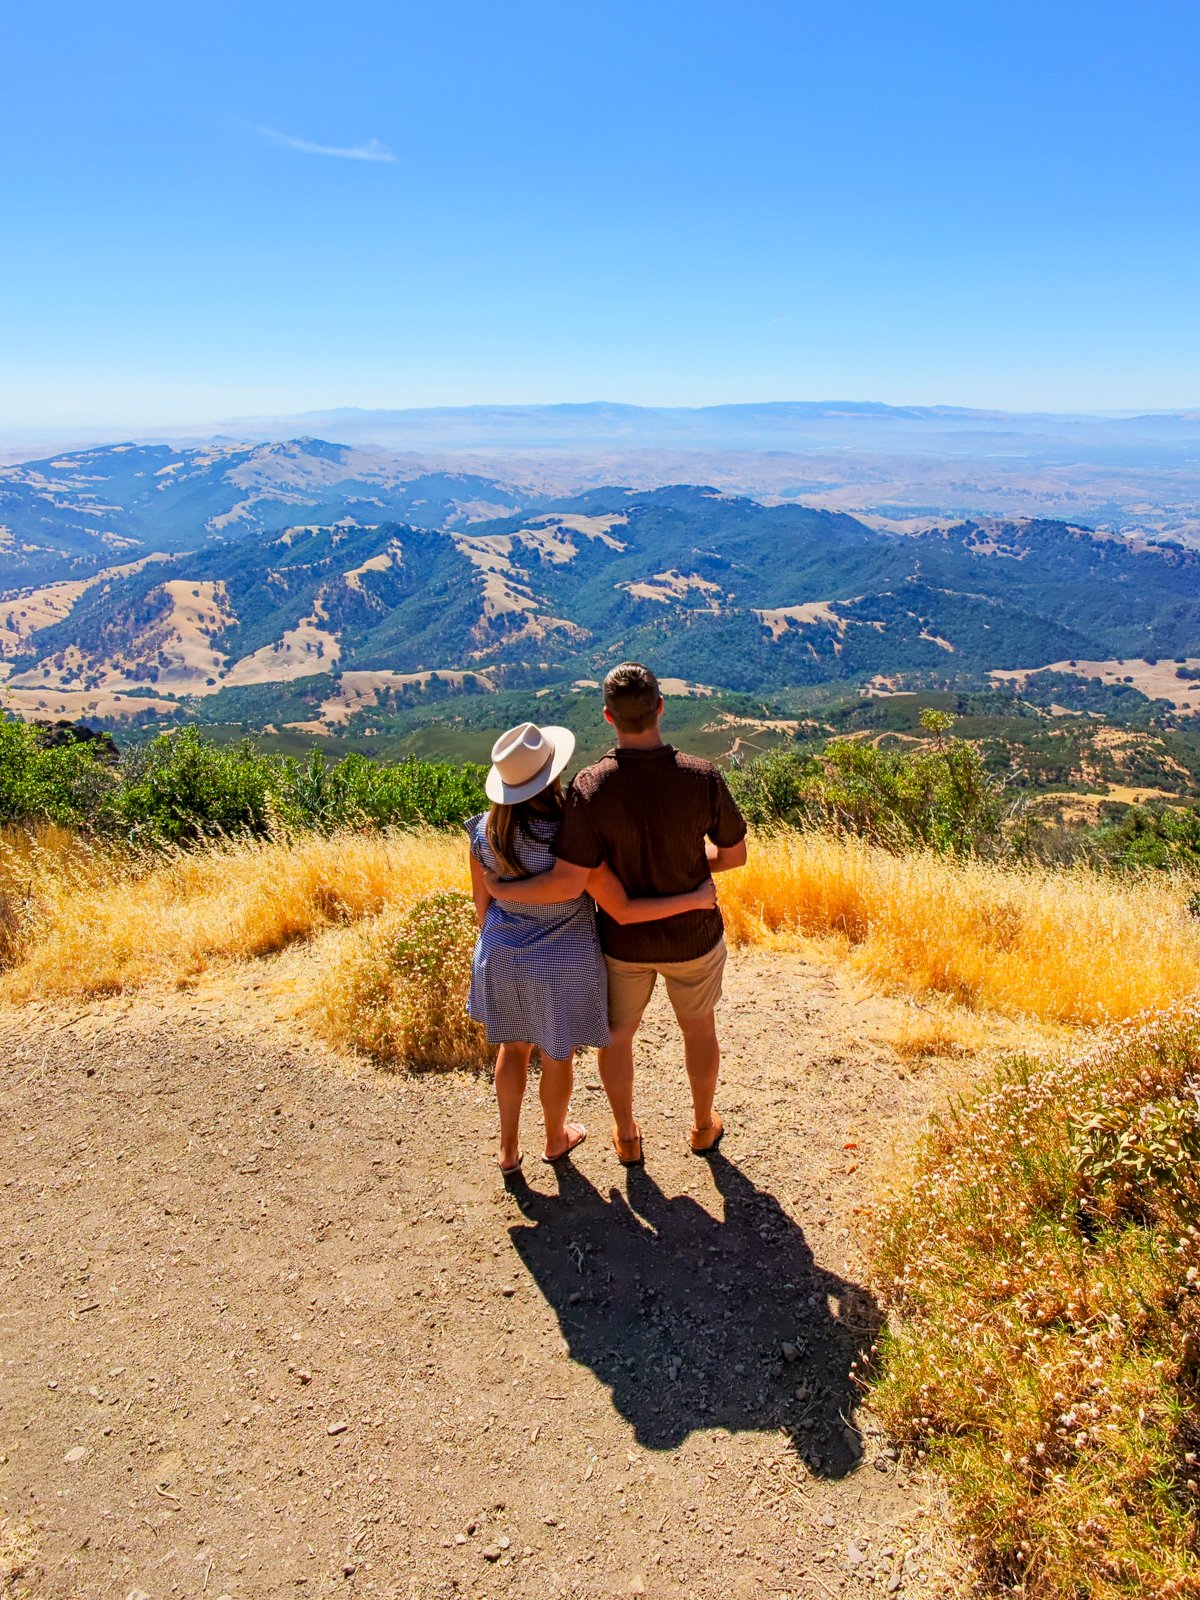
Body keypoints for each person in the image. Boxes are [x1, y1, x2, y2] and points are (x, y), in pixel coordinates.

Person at [484, 665, 748, 1166]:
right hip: (693, 936)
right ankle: (701, 1126)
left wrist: (500, 889)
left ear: (608, 717)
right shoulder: (702, 777)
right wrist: (692, 871)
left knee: (619, 1037)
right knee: (698, 1030)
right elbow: (734, 856)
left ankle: (627, 1136)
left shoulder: (589, 787)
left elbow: (571, 876)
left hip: (623, 945)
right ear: (660, 707)